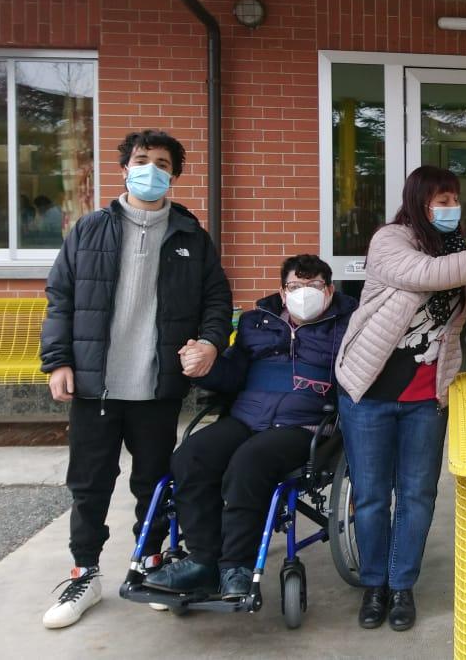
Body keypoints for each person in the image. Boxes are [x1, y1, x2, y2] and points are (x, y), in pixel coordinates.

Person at [39, 129, 232, 629]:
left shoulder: (192, 236)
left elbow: (217, 302)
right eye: (142, 159)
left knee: (153, 481)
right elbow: (61, 298)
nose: (151, 168)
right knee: (90, 483)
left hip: (156, 386)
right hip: (94, 385)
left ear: (174, 174)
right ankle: (86, 573)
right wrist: (58, 360)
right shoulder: (90, 229)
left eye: (162, 162)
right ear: (124, 168)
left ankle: (150, 561)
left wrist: (211, 343)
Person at [335, 165, 466, 632]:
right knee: (373, 496)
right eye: (441, 200)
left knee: (418, 496)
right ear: (419, 202)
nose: (450, 208)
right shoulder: (390, 242)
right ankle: (373, 584)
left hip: (425, 398)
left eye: (453, 199)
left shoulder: (457, 250)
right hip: (369, 393)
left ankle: (402, 586)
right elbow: (427, 275)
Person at [142, 254, 356, 599]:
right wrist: (205, 366)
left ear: (329, 291)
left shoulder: (348, 327)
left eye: (314, 285)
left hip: (304, 425)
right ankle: (202, 561)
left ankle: (236, 567)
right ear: (283, 293)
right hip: (245, 418)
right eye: (295, 286)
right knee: (190, 456)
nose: (304, 292)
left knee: (249, 462)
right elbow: (231, 374)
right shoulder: (256, 323)